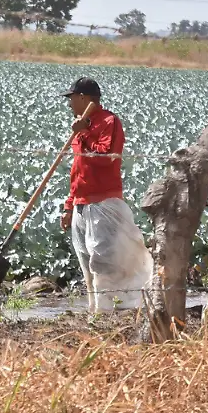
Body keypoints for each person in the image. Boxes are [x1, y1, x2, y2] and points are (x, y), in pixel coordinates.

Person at [59, 77, 153, 311]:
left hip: (103, 203)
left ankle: (109, 310)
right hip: (82, 204)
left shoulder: (109, 122)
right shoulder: (82, 126)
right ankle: (96, 310)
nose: (69, 104)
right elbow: (78, 170)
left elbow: (105, 158)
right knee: (86, 262)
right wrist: (69, 205)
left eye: (72, 99)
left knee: (104, 262)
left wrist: (84, 133)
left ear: (83, 98)